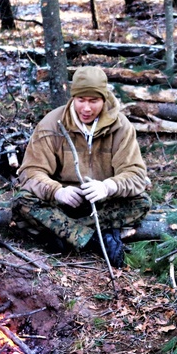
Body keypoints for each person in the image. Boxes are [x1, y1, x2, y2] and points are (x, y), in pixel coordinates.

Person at [13, 66, 151, 267]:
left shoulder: (121, 127)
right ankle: (95, 240)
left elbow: (136, 174)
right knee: (22, 201)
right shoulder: (52, 124)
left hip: (102, 203)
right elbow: (31, 172)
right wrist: (56, 191)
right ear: (73, 98)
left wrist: (108, 187)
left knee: (142, 202)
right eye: (81, 100)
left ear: (104, 99)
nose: (86, 108)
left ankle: (64, 234)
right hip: (63, 204)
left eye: (93, 101)